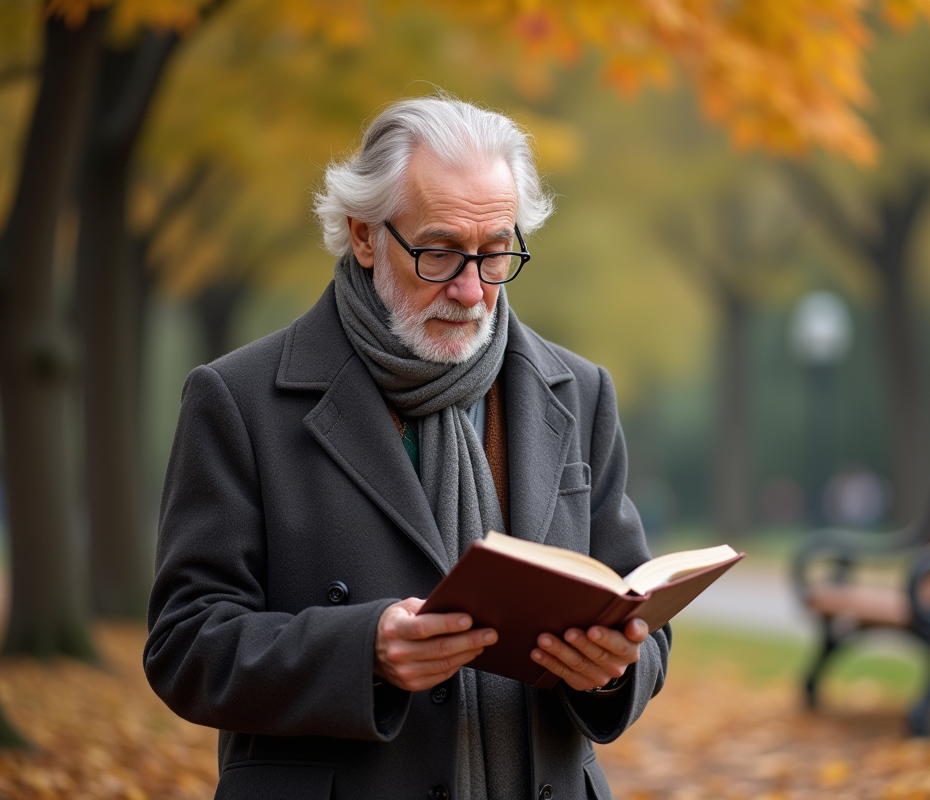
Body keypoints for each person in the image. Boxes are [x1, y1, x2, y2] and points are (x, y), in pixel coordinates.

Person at [144, 94, 669, 800]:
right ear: (364, 235)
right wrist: (362, 653)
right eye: (441, 252)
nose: (472, 290)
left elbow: (639, 619)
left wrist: (613, 668)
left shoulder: (578, 391)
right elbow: (185, 645)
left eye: (495, 253)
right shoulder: (237, 399)